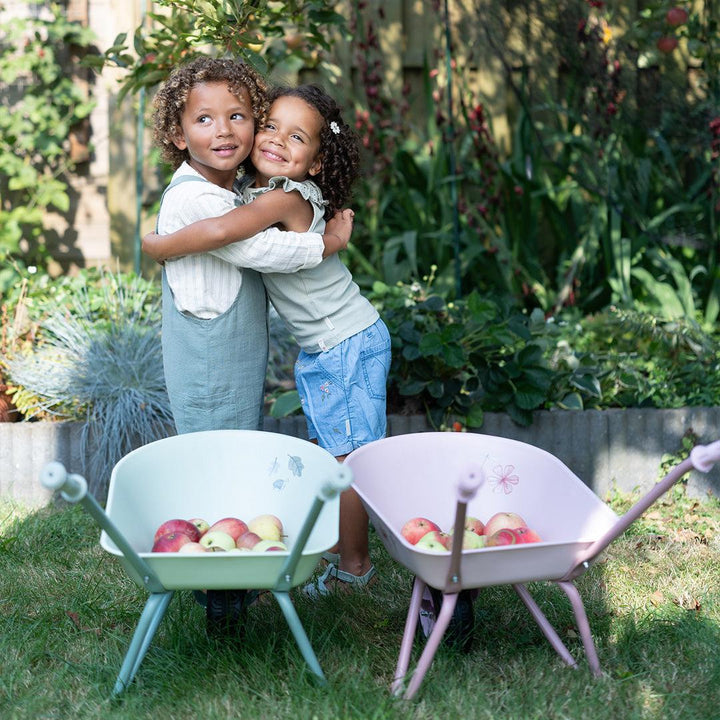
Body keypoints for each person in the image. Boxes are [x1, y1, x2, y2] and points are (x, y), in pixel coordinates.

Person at [143, 84, 391, 596]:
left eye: (296, 136)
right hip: (330, 347)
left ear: (317, 163)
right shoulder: (261, 191)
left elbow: (221, 231)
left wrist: (160, 245)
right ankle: (343, 556)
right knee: (337, 453)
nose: (276, 140)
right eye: (271, 125)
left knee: (346, 460)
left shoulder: (284, 196)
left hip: (345, 344)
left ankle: (355, 568)